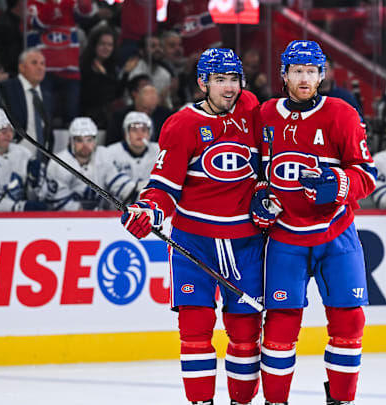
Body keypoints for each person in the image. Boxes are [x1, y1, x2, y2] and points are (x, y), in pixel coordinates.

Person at [120, 48, 262, 405]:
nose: (228, 88)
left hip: (245, 243)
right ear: (202, 82)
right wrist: (148, 211)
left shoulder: (252, 111)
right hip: (194, 243)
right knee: (195, 332)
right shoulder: (182, 124)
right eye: (219, 80)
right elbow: (164, 186)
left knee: (245, 334)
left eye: (233, 79)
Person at [251, 40, 377, 405]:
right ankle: (276, 401)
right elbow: (258, 171)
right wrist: (260, 196)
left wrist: (338, 184)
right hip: (286, 238)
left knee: (349, 323)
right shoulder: (265, 115)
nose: (304, 79)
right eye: (296, 71)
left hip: (336, 235)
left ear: (322, 75)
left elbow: (366, 175)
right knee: (280, 327)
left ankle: (340, 400)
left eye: (311, 72)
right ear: (284, 75)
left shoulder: (342, 114)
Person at [44, 117, 137, 211]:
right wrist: (88, 215)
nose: (85, 145)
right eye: (79, 140)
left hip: (97, 218)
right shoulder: (58, 163)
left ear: (95, 141)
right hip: (65, 220)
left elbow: (120, 185)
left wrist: (138, 192)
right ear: (71, 141)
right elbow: (58, 204)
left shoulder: (104, 156)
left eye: (89, 140)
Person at [0, 48, 53, 157]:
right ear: (21, 67)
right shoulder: (3, 89)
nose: (40, 67)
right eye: (34, 63)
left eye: (42, 63)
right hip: (10, 160)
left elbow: (47, 131)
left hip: (40, 162)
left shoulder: (47, 94)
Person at [0, 108, 48, 212]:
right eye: (3, 131)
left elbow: (39, 197)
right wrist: (21, 207)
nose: (9, 135)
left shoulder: (23, 153)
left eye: (10, 130)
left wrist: (34, 184)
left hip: (21, 219)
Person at [105, 111, 159, 191]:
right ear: (126, 133)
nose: (139, 134)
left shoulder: (160, 151)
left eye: (144, 130)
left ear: (149, 133)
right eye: (134, 130)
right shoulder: (110, 153)